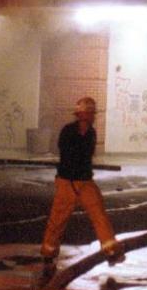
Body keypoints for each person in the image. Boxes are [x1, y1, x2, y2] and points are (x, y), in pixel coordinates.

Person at [40, 96, 125, 279]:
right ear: (82, 115)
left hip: (85, 182)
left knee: (99, 214)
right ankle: (48, 256)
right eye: (90, 113)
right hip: (67, 182)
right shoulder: (68, 131)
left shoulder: (92, 133)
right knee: (57, 220)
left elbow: (86, 156)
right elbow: (67, 153)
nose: (93, 117)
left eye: (93, 114)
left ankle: (111, 251)